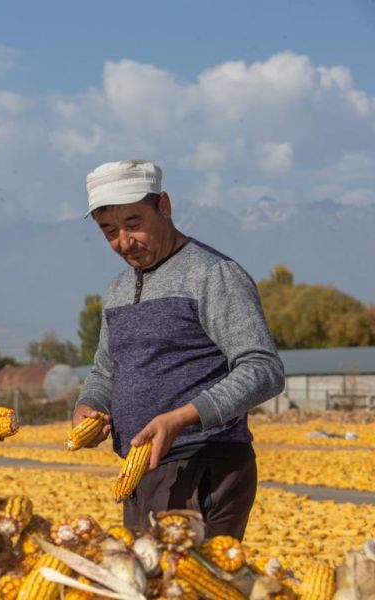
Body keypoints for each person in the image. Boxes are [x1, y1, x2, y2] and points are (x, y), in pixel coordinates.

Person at [73, 160, 284, 539]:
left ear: (164, 205)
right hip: (141, 470)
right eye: (109, 231)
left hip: (204, 464)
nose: (123, 241)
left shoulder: (212, 274)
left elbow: (263, 369)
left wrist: (182, 417)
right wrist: (89, 405)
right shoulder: (119, 288)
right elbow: (106, 371)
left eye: (134, 223)